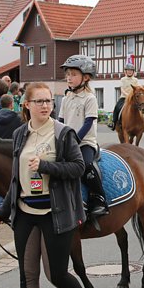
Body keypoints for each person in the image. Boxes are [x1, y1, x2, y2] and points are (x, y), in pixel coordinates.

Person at [0, 82, 94, 288]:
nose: (45, 105)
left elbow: (78, 167)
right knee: (28, 273)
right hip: (26, 213)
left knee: (56, 274)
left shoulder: (63, 133)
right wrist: (4, 210)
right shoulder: (19, 134)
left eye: (49, 100)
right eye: (39, 101)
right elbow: (16, 178)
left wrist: (46, 166)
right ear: (26, 105)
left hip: (55, 213)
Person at [58, 55, 109, 218]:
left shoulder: (90, 98)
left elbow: (88, 123)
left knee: (86, 165)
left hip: (85, 142)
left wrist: (75, 140)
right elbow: (60, 121)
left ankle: (99, 199)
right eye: (67, 74)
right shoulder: (66, 98)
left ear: (85, 77)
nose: (69, 77)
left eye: (73, 74)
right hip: (68, 142)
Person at [109, 62, 139, 130]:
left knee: (142, 105)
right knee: (117, 107)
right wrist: (128, 95)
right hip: (124, 97)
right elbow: (122, 89)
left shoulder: (135, 80)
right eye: (128, 70)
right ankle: (113, 122)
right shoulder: (123, 79)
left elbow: (137, 89)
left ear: (133, 71)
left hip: (133, 98)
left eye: (131, 70)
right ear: (126, 71)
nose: (130, 72)